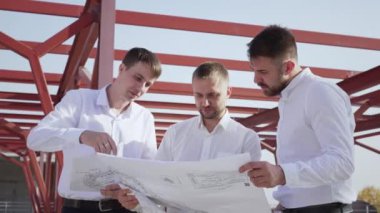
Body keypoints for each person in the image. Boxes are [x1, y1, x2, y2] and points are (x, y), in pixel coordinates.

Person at [27, 47, 162, 213]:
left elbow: (148, 170)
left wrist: (131, 192)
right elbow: (35, 139)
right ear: (121, 69)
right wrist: (82, 135)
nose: (140, 88)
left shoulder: (145, 118)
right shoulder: (78, 99)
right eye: (138, 78)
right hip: (79, 208)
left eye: (148, 84)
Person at [116, 62, 262, 212]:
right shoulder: (175, 134)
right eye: (198, 95)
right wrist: (138, 203)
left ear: (228, 92)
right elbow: (157, 189)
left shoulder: (247, 139)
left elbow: (249, 199)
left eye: (212, 95)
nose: (204, 103)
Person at [239, 25, 355, 213]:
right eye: (254, 70)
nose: (255, 79)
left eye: (263, 72)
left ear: (288, 67)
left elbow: (342, 163)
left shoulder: (320, 92)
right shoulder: (288, 98)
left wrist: (282, 174)